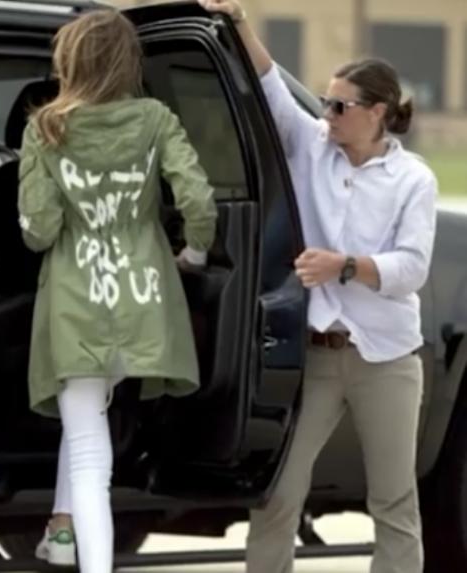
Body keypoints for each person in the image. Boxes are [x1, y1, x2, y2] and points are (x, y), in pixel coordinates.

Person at [197, 1, 437, 572]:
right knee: (277, 494)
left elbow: (411, 269)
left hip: (387, 359)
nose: (326, 114)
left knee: (393, 500)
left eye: (339, 105)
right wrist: (239, 22)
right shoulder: (312, 145)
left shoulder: (413, 179)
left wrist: (343, 266)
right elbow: (270, 84)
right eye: (325, 102)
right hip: (317, 357)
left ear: (377, 113)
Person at [17, 9, 217, 573]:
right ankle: (61, 532)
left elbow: (38, 232)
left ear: (70, 62)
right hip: (143, 300)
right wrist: (195, 253)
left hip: (76, 306)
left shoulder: (45, 129)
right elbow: (199, 200)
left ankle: (93, 563)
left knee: (87, 447)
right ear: (129, 62)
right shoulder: (155, 119)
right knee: (88, 424)